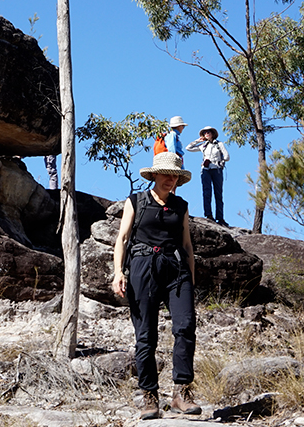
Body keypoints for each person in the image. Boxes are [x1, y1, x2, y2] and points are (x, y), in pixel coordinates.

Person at [112, 152, 201, 420]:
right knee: (145, 336)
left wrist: (191, 280)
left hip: (176, 270)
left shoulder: (181, 206)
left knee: (185, 327)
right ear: (154, 175)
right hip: (142, 268)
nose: (170, 179)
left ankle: (181, 392)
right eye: (166, 174)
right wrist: (118, 272)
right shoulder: (136, 202)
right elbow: (123, 237)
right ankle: (149, 396)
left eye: (174, 175)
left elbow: (187, 244)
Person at [186, 126, 230, 225]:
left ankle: (220, 218)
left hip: (217, 170)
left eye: (208, 132)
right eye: (205, 132)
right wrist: (197, 141)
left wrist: (219, 161)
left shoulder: (219, 144)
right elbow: (188, 148)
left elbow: (227, 156)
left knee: (218, 194)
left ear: (213, 133)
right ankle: (208, 215)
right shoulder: (203, 146)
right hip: (206, 170)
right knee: (207, 192)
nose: (207, 133)